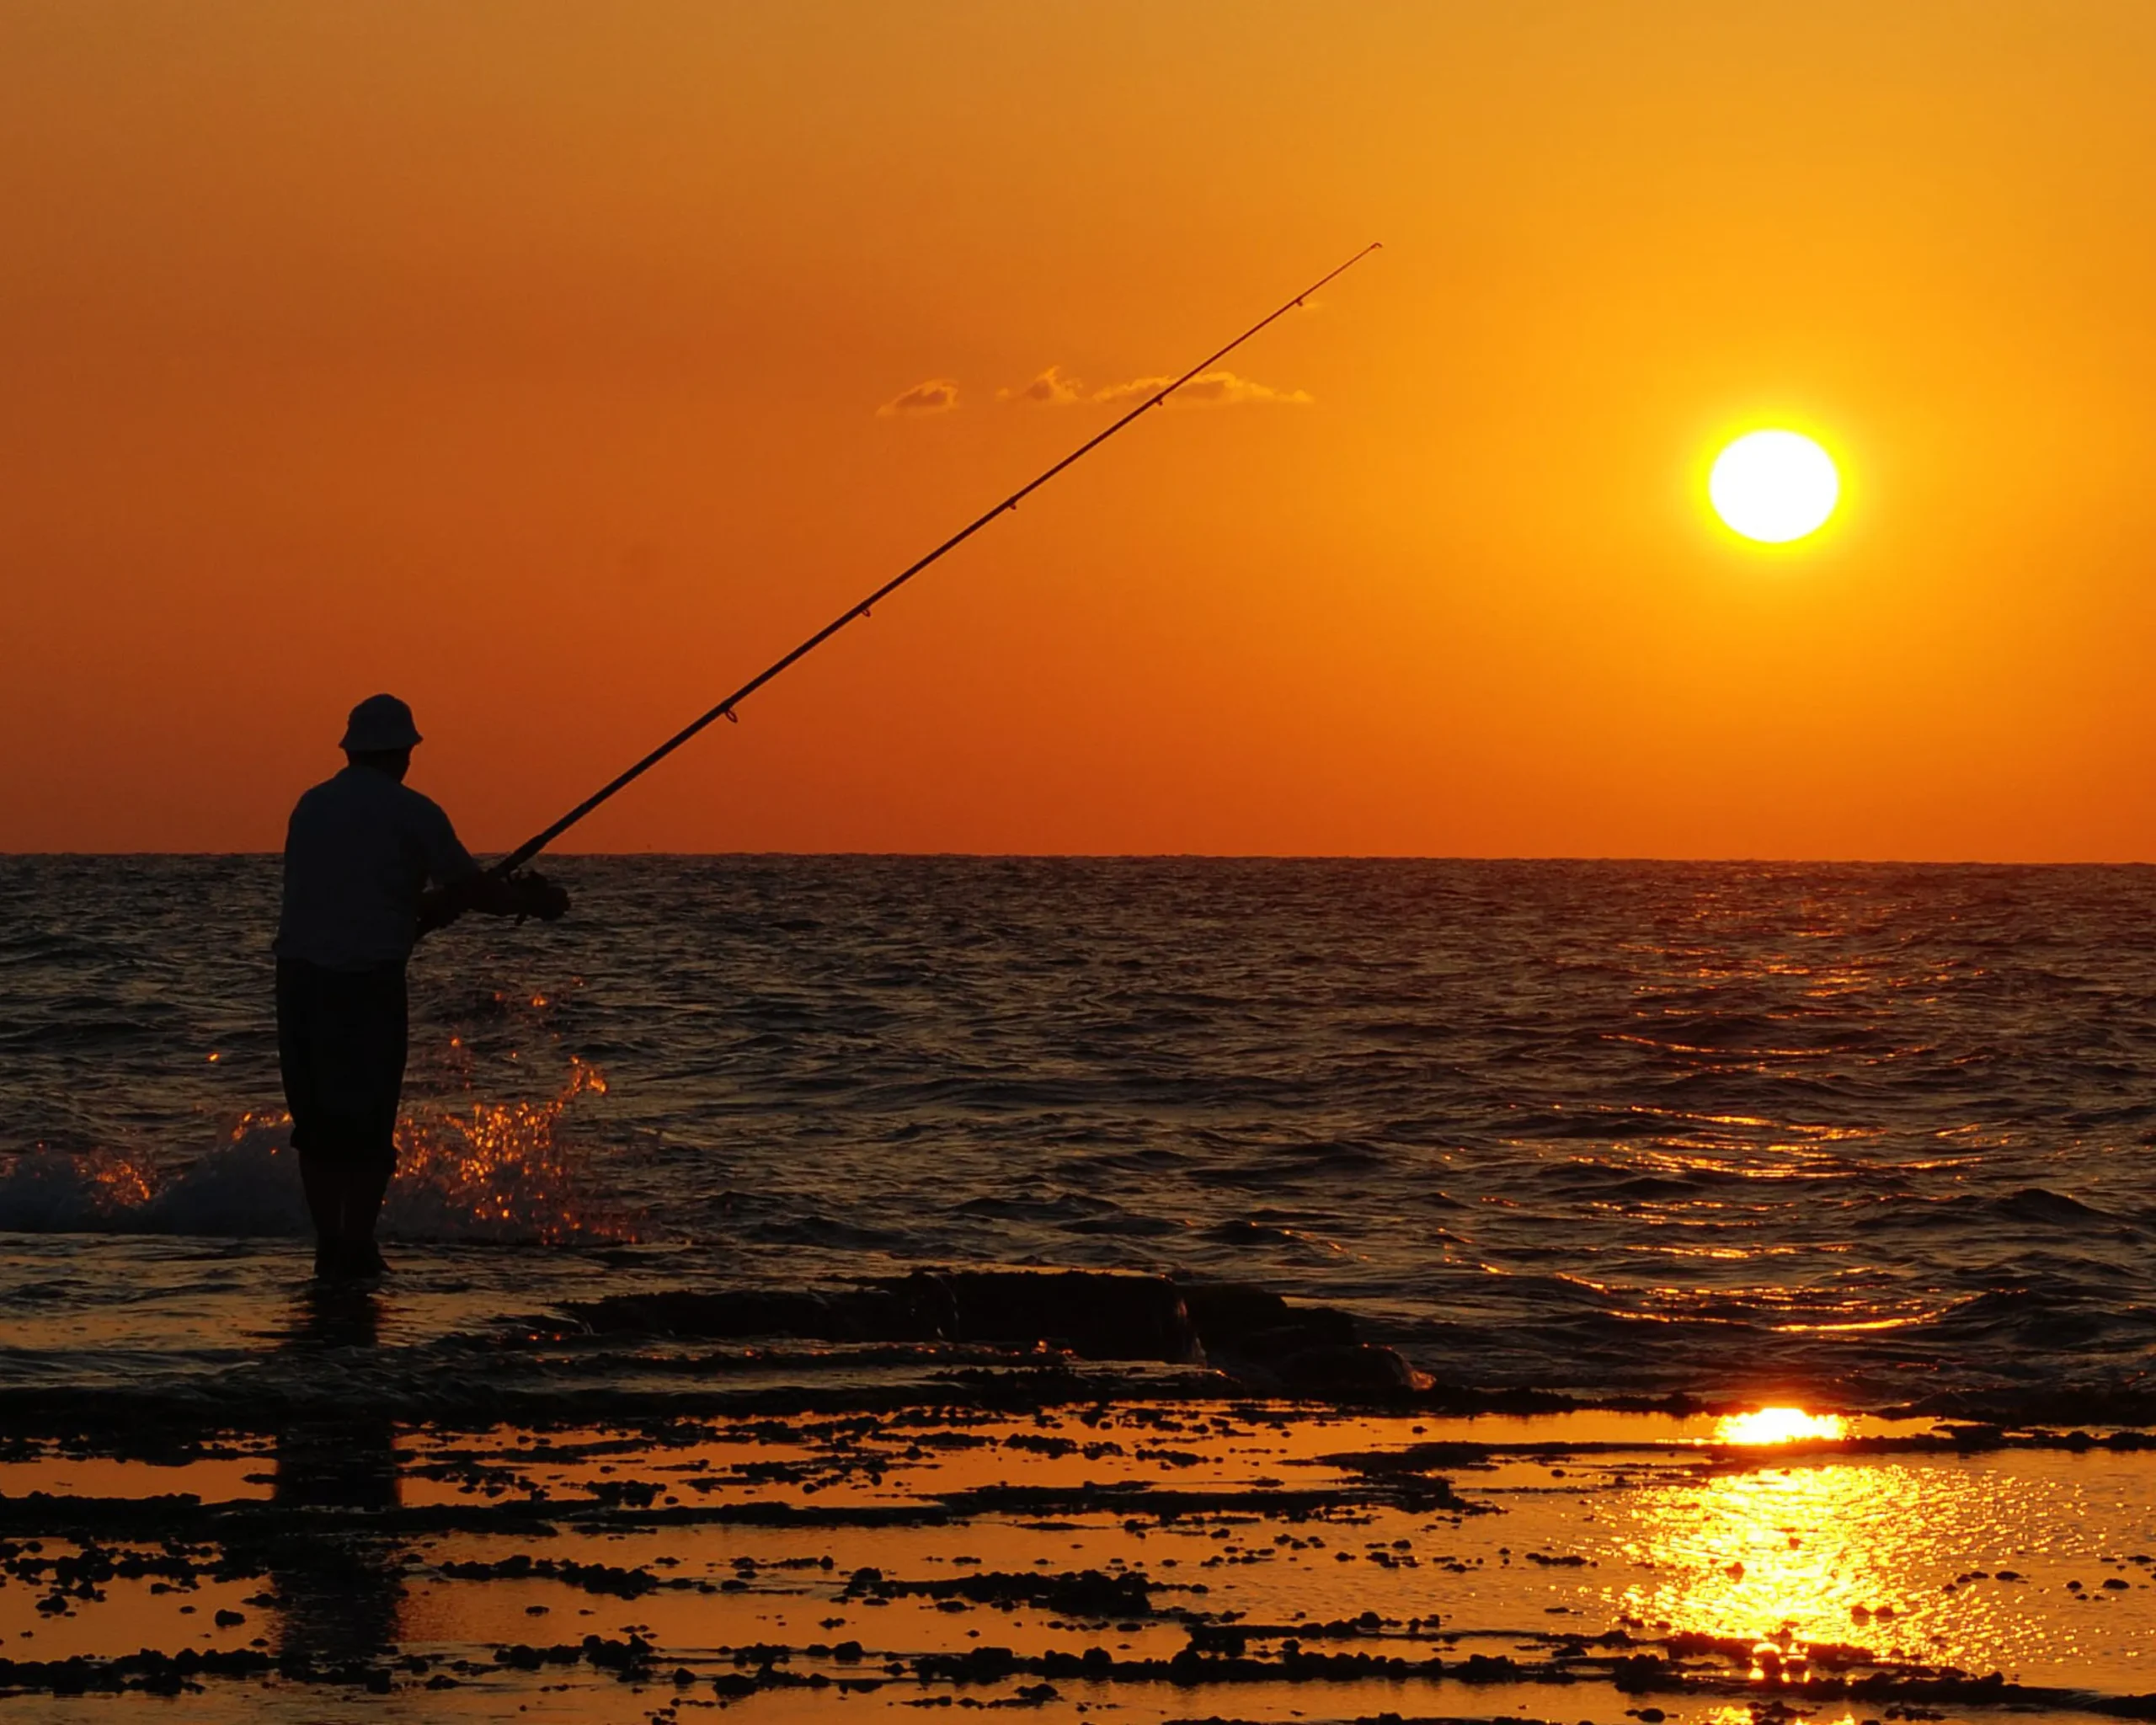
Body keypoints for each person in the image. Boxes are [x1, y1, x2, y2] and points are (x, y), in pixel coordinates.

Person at [273, 693, 568, 1280]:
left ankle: (330, 1246)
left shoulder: (310, 807)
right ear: (404, 752)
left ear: (352, 749)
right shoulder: (414, 812)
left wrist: (431, 906)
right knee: (371, 1117)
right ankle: (357, 1246)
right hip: (368, 985)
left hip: (299, 981)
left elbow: (356, 891)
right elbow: (474, 889)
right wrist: (533, 904)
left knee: (317, 1123)